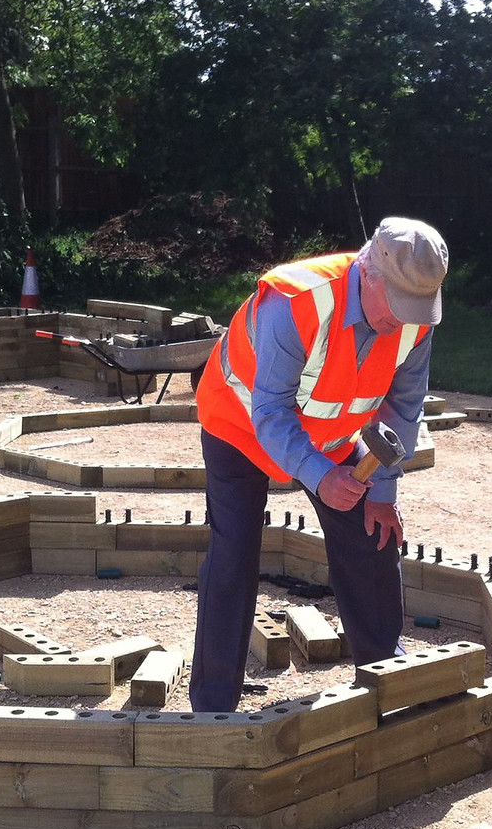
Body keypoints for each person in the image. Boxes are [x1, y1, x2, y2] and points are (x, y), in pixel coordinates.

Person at [188, 217, 449, 712]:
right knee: (235, 549)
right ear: (368, 272)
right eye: (397, 306)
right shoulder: (296, 301)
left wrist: (383, 490)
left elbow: (403, 408)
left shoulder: (415, 312)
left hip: (327, 434)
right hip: (239, 423)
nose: (404, 320)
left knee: (374, 532)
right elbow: (269, 412)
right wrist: (320, 476)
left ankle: (386, 676)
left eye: (416, 309)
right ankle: (214, 707)